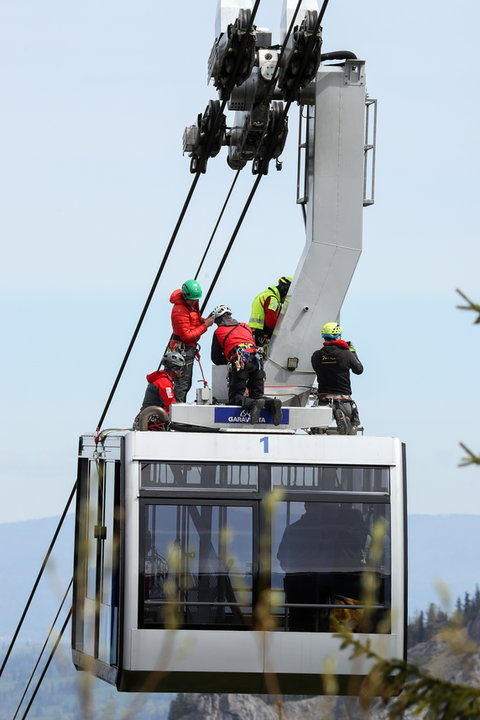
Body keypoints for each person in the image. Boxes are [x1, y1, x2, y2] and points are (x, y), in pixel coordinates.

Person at [277, 501, 367, 631]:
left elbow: (282, 558)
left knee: (299, 621)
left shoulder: (292, 529)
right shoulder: (328, 530)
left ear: (306, 508)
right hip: (319, 584)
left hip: (295, 583)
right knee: (321, 622)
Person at [211, 304, 283, 425]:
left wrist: (229, 359)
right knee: (257, 396)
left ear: (218, 320)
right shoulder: (245, 326)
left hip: (241, 362)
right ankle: (272, 403)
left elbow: (216, 358)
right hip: (257, 360)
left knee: (236, 398)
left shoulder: (219, 331)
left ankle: (253, 404)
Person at [311, 322, 363, 435]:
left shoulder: (316, 355)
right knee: (352, 427)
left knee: (317, 430)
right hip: (343, 399)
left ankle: (320, 426)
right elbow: (359, 370)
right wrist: (353, 353)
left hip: (323, 400)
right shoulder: (346, 354)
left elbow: (317, 369)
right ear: (338, 335)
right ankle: (341, 416)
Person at [169, 279, 214, 402]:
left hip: (188, 348)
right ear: (185, 296)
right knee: (182, 382)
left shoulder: (191, 304)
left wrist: (203, 321)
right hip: (182, 348)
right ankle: (177, 410)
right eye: (192, 299)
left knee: (185, 382)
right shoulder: (179, 311)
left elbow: (193, 321)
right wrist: (206, 325)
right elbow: (187, 336)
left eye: (196, 299)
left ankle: (177, 408)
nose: (194, 302)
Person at [133, 351, 185, 430]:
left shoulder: (162, 380)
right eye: (180, 368)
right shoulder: (164, 383)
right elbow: (170, 405)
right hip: (150, 422)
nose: (181, 371)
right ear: (174, 369)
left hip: (145, 419)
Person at [249, 276, 292, 347]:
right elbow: (270, 321)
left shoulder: (264, 294)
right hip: (262, 334)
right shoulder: (273, 299)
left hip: (253, 333)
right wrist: (283, 331)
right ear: (285, 290)